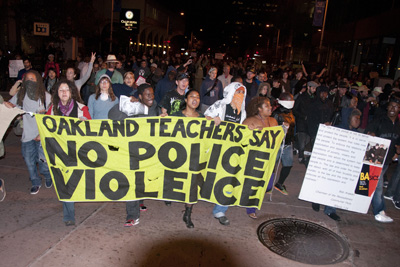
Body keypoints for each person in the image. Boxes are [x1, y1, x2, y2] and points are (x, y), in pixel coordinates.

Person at [108, 83, 162, 226]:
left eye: (152, 94)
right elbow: (112, 116)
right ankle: (132, 215)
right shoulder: (132, 108)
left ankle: (139, 201)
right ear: (139, 96)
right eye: (147, 94)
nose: (151, 97)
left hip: (148, 153)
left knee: (142, 180)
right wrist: (124, 104)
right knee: (132, 182)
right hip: (131, 153)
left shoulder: (155, 109)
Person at [46, 79, 91, 226]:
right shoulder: (52, 110)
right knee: (64, 183)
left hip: (76, 151)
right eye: (61, 90)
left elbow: (91, 129)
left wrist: (85, 123)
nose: (64, 92)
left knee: (72, 183)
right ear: (57, 93)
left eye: (66, 89)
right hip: (59, 152)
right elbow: (46, 128)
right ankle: (69, 216)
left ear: (72, 92)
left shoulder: (82, 109)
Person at [204, 82, 247, 225]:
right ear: (230, 93)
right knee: (209, 175)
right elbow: (205, 117)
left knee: (228, 178)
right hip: (215, 147)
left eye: (242, 93)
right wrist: (212, 119)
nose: (240, 95)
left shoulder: (243, 112)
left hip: (231, 150)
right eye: (238, 92)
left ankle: (220, 210)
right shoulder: (220, 105)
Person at [3, 70, 52, 194]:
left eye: (32, 79)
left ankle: (48, 176)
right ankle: (35, 182)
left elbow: (51, 118)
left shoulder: (46, 96)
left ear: (38, 81)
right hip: (27, 136)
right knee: (29, 162)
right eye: (27, 79)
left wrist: (42, 134)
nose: (30, 81)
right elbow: (10, 105)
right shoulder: (20, 95)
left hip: (42, 135)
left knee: (44, 162)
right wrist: (6, 104)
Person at [170, 89, 204, 228]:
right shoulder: (176, 116)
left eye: (197, 97)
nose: (195, 99)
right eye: (192, 96)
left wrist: (216, 121)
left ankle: (188, 214)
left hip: (194, 158)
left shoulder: (203, 119)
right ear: (185, 99)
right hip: (177, 157)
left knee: (192, 187)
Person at [364, 93, 400, 223]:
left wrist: (397, 151)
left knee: (368, 183)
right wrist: (371, 134)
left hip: (387, 160)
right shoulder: (379, 120)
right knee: (377, 185)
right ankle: (379, 211)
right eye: (391, 106)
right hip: (375, 158)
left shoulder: (398, 125)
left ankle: (358, 203)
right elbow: (367, 132)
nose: (392, 109)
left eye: (396, 107)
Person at [242, 97, 278, 219]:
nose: (270, 108)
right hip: (255, 158)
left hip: (269, 158)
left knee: (268, 185)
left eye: (270, 106)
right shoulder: (250, 121)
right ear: (259, 109)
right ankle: (251, 208)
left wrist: (285, 129)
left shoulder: (273, 121)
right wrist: (251, 132)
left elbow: (278, 137)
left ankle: (246, 194)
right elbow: (241, 139)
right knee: (255, 183)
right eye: (267, 106)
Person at [272, 92, 295, 196]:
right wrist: (281, 126)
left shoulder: (290, 113)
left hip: (288, 144)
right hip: (278, 144)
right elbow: (272, 129)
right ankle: (267, 185)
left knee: (288, 165)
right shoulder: (276, 114)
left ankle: (280, 183)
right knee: (272, 165)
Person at [293, 81, 317, 164]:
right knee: (302, 140)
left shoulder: (314, 98)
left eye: (315, 88)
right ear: (308, 87)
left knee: (307, 140)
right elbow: (295, 109)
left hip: (310, 123)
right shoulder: (301, 97)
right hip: (302, 122)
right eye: (313, 88)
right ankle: (301, 156)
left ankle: (297, 147)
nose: (314, 90)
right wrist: (303, 116)